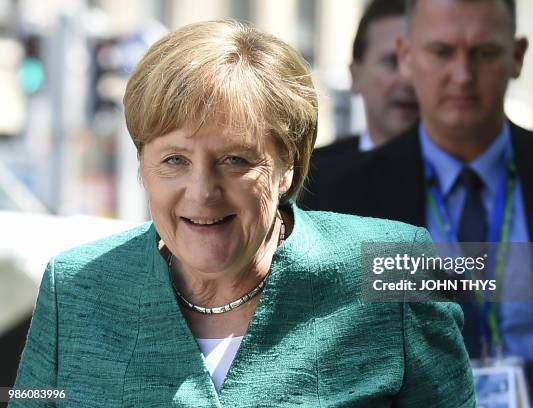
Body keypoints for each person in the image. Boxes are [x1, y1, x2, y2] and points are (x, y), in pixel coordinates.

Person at [11, 20, 475, 407]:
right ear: (142, 164)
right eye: (174, 160)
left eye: (234, 160)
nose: (202, 193)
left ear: (287, 166)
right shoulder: (74, 288)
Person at [301, 1, 533, 407]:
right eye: (442, 52)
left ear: (517, 57)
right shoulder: (341, 195)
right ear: (407, 56)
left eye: (484, 53)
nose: (463, 76)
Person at [314, 0, 418, 161]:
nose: (407, 79)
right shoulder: (312, 176)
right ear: (355, 76)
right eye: (392, 62)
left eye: (416, 62)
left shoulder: (467, 177)